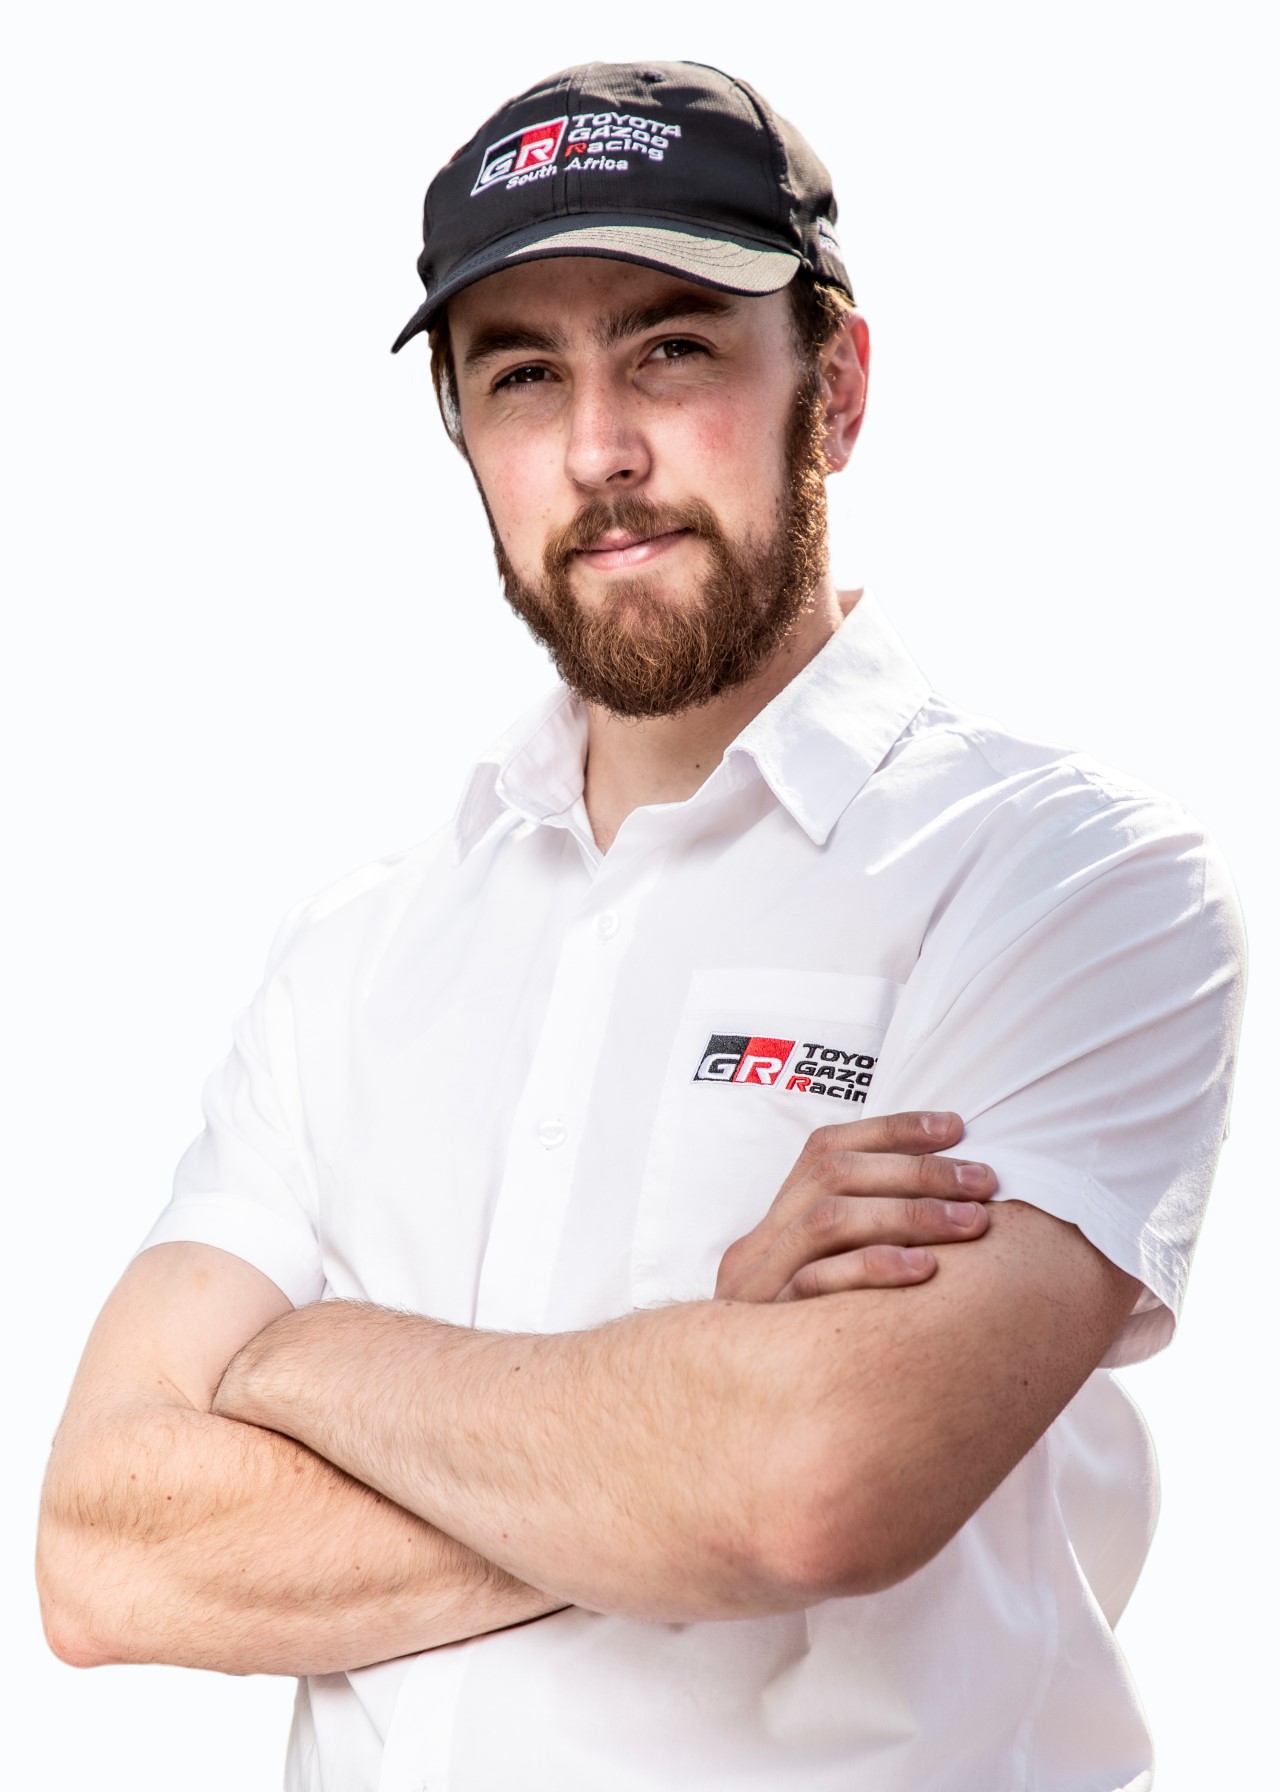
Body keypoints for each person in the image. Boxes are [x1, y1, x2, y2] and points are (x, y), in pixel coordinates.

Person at [36, 59, 1244, 1792]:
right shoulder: (357, 952)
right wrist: (695, 1388)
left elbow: (810, 1487)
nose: (600, 450)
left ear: (835, 389)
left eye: (672, 350)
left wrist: (309, 1362)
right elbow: (102, 1555)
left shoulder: (1068, 884)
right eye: (524, 375)